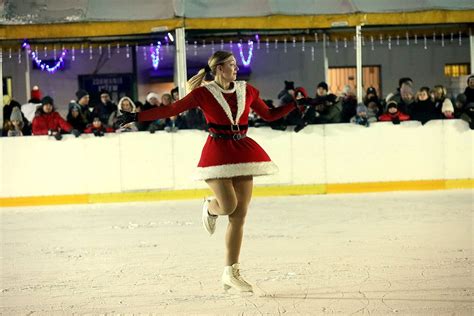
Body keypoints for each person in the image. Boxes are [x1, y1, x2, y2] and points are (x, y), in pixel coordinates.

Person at [117, 51, 298, 293]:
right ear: (219, 69)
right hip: (217, 152)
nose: (236, 68)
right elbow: (170, 110)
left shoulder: (248, 90)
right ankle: (211, 207)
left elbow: (269, 115)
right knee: (229, 205)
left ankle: (230, 271)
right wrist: (136, 116)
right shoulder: (203, 93)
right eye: (231, 64)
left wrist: (296, 105)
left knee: (239, 214)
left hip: (242, 150)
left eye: (236, 64)